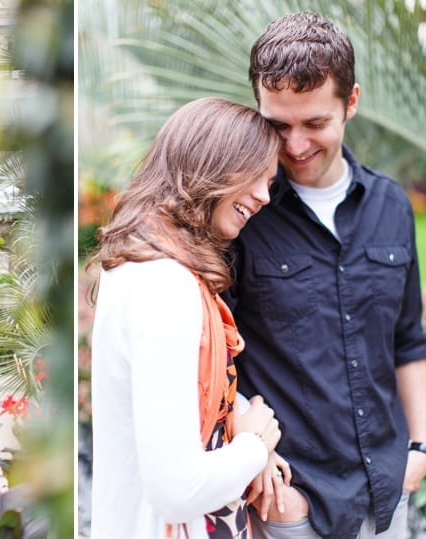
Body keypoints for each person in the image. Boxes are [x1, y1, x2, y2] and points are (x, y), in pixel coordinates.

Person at [225, 12, 426, 538]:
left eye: (315, 123)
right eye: (278, 125)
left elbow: (407, 341)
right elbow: (214, 351)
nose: (295, 146)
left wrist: (422, 449)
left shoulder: (391, 204)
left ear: (352, 102)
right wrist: (268, 478)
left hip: (387, 492)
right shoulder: (241, 215)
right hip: (294, 501)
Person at [89, 97, 288, 539]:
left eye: (270, 182)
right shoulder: (166, 286)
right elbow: (178, 490)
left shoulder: (140, 266)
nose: (264, 196)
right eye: (255, 175)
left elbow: (175, 398)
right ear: (209, 163)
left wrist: (239, 422)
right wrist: (255, 445)